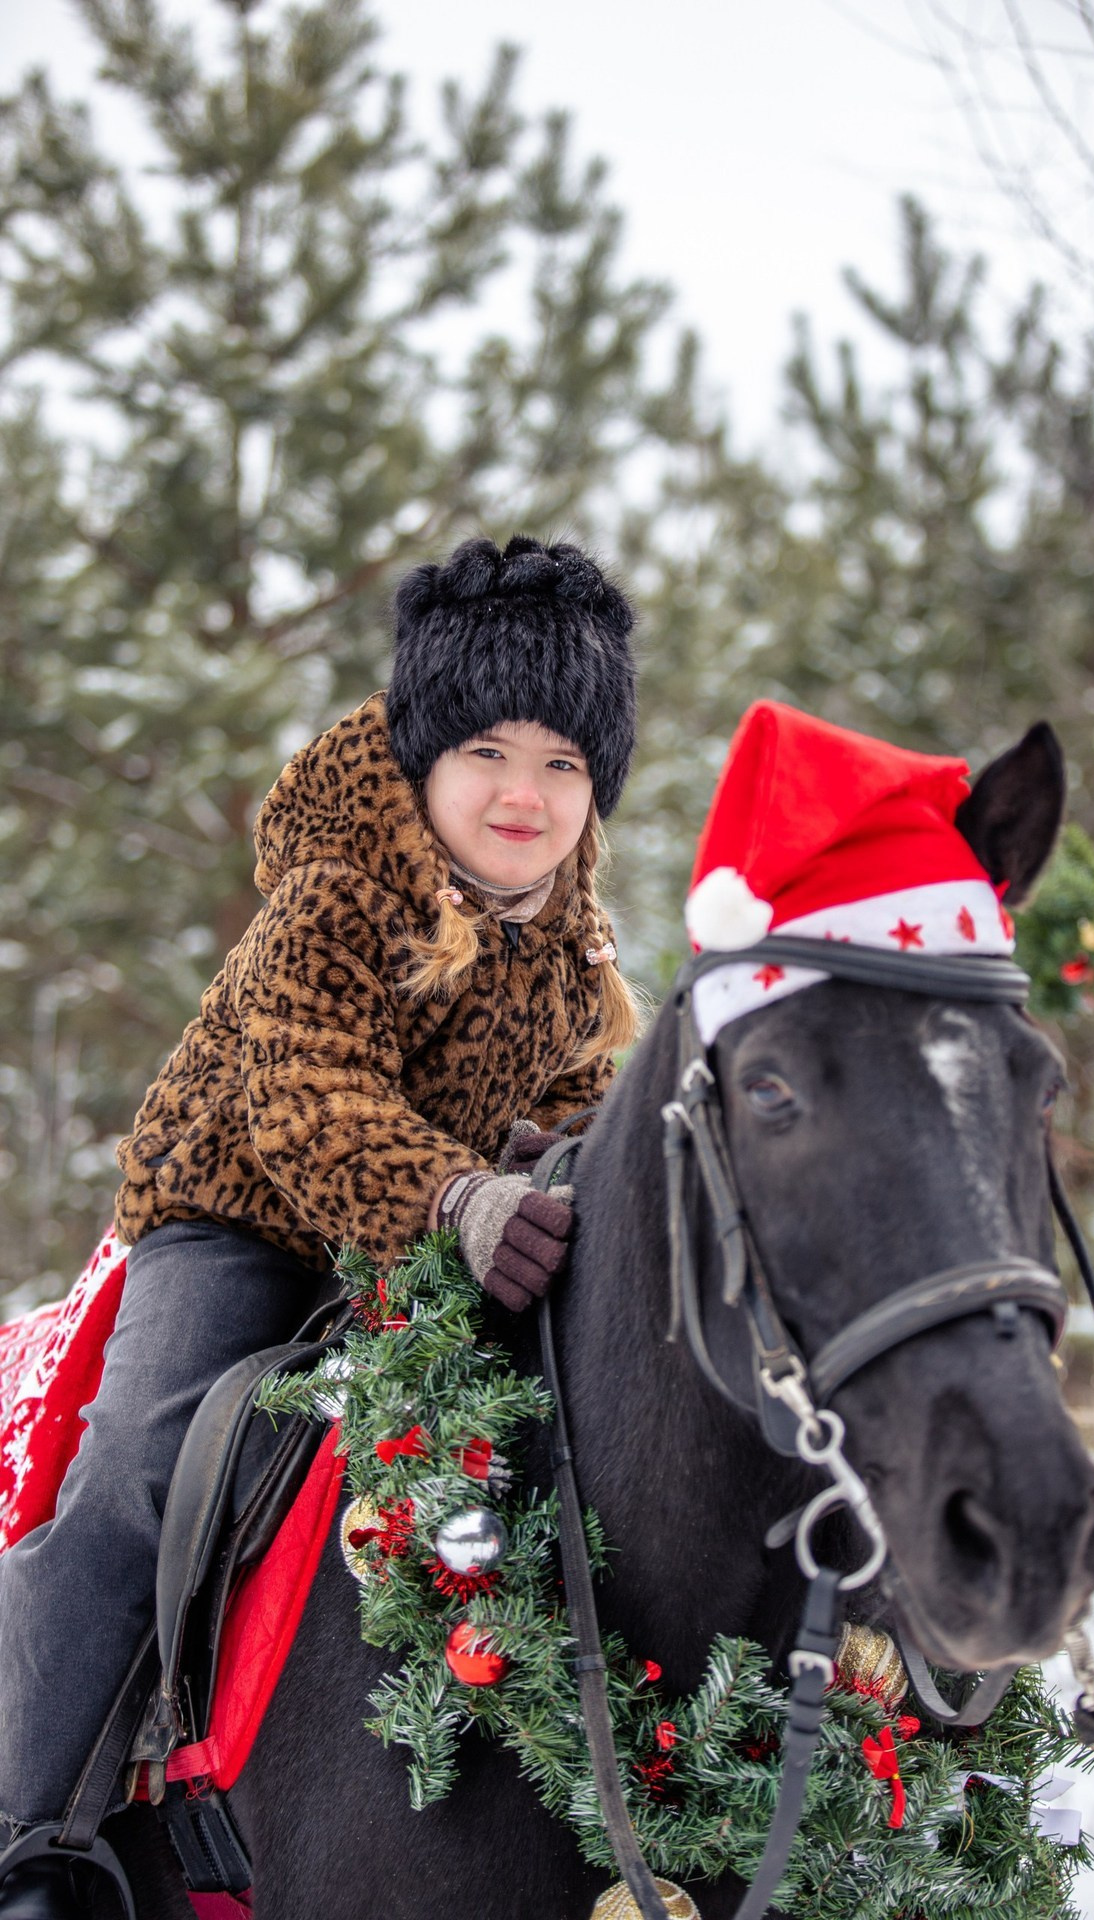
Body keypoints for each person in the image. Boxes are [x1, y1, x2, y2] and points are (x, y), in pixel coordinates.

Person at [0, 534, 640, 1915]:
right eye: (487, 751)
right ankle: (30, 1827)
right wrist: (458, 1195)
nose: (523, 794)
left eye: (563, 764)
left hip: (433, 1258)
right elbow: (303, 1089)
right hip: (243, 1223)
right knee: (141, 1475)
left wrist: (562, 1167)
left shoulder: (581, 954)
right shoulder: (340, 887)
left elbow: (592, 1106)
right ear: (423, 757)